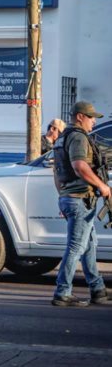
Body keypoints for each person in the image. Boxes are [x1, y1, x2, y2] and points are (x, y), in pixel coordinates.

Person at [51, 101, 111, 307]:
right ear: (79, 117)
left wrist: (62, 197)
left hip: (71, 198)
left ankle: (98, 290)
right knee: (76, 246)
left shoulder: (61, 138)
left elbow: (57, 173)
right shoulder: (77, 137)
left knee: (90, 245)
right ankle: (63, 292)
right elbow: (79, 166)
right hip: (79, 198)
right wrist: (102, 186)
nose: (94, 121)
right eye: (91, 117)